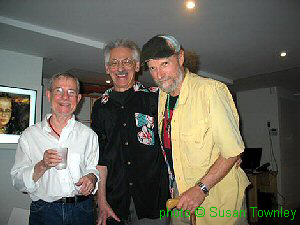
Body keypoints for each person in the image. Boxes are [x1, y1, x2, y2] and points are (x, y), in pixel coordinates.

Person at [141, 35, 250, 225]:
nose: (159, 75)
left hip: (217, 197)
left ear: (181, 58)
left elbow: (232, 151)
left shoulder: (211, 91)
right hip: (180, 194)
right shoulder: (161, 97)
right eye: (152, 68)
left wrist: (201, 188)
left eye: (165, 64)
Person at [91, 39, 169, 225]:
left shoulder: (156, 98)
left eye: (126, 61)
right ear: (107, 68)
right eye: (114, 63)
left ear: (136, 65)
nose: (120, 68)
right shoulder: (100, 107)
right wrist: (101, 200)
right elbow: (100, 159)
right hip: (114, 203)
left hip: (153, 201)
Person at [11, 73, 99, 225]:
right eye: (58, 90)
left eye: (71, 92)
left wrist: (92, 178)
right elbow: (18, 182)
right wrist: (42, 166)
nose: (65, 97)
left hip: (82, 210)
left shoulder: (88, 135)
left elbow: (93, 168)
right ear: (48, 95)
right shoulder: (30, 135)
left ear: (78, 99)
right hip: (45, 211)